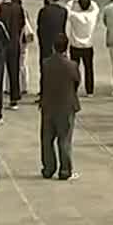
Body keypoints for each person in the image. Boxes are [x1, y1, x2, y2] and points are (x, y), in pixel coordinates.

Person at [40, 45, 81, 180]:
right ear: (66, 49)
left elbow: (43, 82)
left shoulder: (46, 64)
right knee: (64, 139)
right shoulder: (72, 65)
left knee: (47, 139)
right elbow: (76, 82)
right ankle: (64, 170)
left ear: (53, 48)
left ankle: (48, 168)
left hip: (48, 105)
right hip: (66, 106)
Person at [66, 0, 102, 96]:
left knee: (74, 69)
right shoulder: (92, 16)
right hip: (88, 46)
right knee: (89, 69)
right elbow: (96, 7)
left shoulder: (74, 15)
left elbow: (67, 9)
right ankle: (89, 91)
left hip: (75, 46)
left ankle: (74, 88)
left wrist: (73, 1)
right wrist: (91, 1)